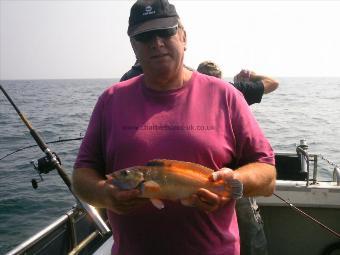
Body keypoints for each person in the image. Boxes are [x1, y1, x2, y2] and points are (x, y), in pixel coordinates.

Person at [72, 1, 276, 254]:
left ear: (183, 36)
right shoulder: (110, 100)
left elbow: (267, 174)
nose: (156, 42)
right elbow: (82, 174)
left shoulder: (227, 96)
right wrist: (105, 195)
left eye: (165, 31)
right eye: (144, 36)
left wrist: (232, 183)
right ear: (133, 45)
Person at [197, 61, 279, 255]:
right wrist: (252, 75)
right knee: (250, 238)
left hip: (204, 182)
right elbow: (272, 83)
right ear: (219, 77)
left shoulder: (191, 96)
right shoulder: (233, 90)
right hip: (236, 180)